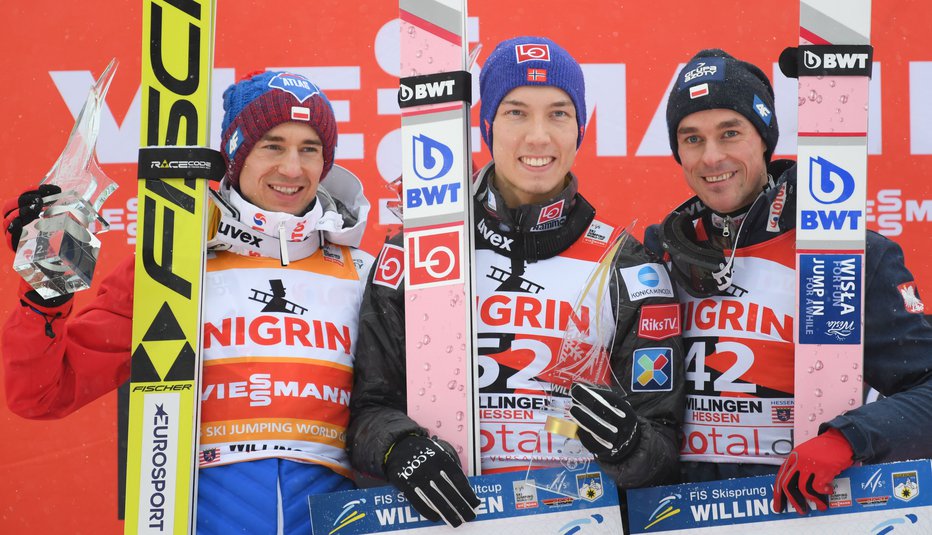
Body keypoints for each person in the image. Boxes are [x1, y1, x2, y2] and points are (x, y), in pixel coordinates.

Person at [2, 71, 374, 534]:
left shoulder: (366, 272)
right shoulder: (171, 267)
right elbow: (43, 393)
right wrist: (46, 287)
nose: (293, 169)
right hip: (200, 512)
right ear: (236, 155)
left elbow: (390, 410)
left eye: (309, 149)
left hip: (339, 516)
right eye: (272, 146)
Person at [348, 36, 685, 527]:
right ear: (486, 125)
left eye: (559, 113)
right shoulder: (417, 251)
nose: (538, 137)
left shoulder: (629, 266)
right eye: (516, 112)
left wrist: (632, 444)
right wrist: (399, 447)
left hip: (572, 520)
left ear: (581, 129)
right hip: (445, 519)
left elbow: (665, 450)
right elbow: (365, 411)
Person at [645, 48, 932, 514]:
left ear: (764, 139)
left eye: (730, 133)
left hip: (799, 513)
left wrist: (849, 438)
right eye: (691, 138)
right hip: (679, 515)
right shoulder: (656, 252)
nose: (711, 156)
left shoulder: (843, 252)